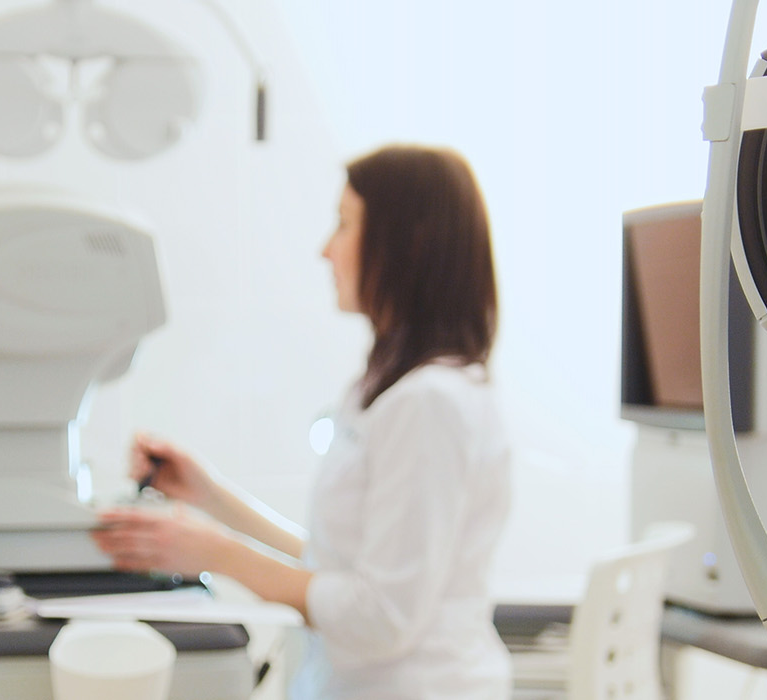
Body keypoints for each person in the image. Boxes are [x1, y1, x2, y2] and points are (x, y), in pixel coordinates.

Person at [91, 145, 512, 699]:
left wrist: (213, 552)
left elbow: (380, 616)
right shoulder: (386, 391)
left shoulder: (431, 404)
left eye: (345, 225)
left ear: (407, 243)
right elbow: (337, 567)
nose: (325, 250)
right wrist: (210, 496)